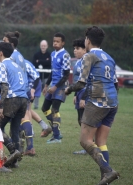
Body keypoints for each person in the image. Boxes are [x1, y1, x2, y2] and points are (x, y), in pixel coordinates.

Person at [65, 26, 120, 185]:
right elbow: (115, 84)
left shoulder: (89, 56)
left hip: (97, 101)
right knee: (101, 142)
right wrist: (111, 105)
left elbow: (81, 83)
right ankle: (106, 179)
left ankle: (108, 171)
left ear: (87, 40)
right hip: (112, 102)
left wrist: (69, 89)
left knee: (85, 141)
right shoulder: (109, 57)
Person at [0, 42, 28, 163]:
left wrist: (1, 106)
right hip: (24, 99)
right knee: (14, 129)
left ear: (1, 53)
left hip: (12, 99)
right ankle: (15, 161)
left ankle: (14, 151)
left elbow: (4, 87)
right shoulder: (16, 65)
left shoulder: (2, 65)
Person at [41, 32, 71, 144]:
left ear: (63, 43)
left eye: (58, 41)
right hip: (52, 86)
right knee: (44, 108)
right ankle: (56, 131)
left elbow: (66, 75)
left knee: (54, 110)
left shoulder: (65, 55)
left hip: (61, 86)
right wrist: (46, 85)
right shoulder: (53, 54)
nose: (55, 43)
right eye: (54, 41)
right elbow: (52, 72)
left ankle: (57, 136)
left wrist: (55, 87)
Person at [71, 38, 88, 155]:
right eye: (74, 49)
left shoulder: (86, 61)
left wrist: (83, 97)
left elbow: (86, 81)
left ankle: (88, 146)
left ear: (84, 49)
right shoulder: (78, 62)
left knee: (85, 121)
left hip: (86, 93)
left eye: (77, 49)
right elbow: (77, 81)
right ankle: (90, 144)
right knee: (80, 120)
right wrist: (75, 94)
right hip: (79, 93)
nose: (75, 51)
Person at [32, 40, 51, 109]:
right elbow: (34, 63)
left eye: (44, 46)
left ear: (47, 46)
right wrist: (45, 61)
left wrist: (39, 61)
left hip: (47, 77)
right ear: (40, 46)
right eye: (42, 46)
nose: (43, 47)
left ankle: (46, 106)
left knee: (47, 91)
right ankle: (36, 106)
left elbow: (49, 63)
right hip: (38, 77)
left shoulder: (49, 55)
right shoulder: (36, 54)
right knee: (36, 91)